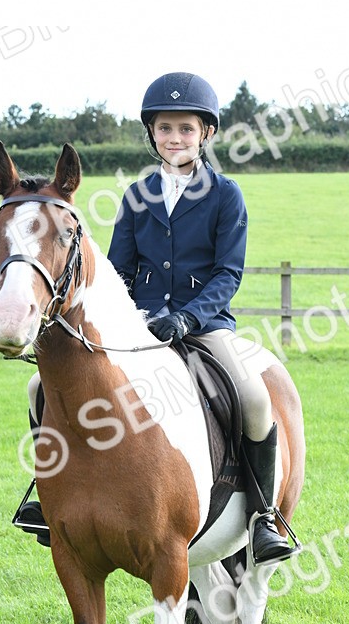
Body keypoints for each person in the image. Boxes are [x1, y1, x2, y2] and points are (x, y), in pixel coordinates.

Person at [105, 71, 295, 564]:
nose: (175, 138)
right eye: (165, 128)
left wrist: (187, 319)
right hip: (139, 330)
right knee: (49, 388)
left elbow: (227, 273)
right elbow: (117, 272)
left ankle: (262, 516)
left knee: (254, 397)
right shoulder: (135, 197)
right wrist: (129, 317)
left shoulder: (225, 195)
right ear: (152, 134)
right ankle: (51, 496)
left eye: (186, 129)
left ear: (206, 133)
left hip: (204, 327)